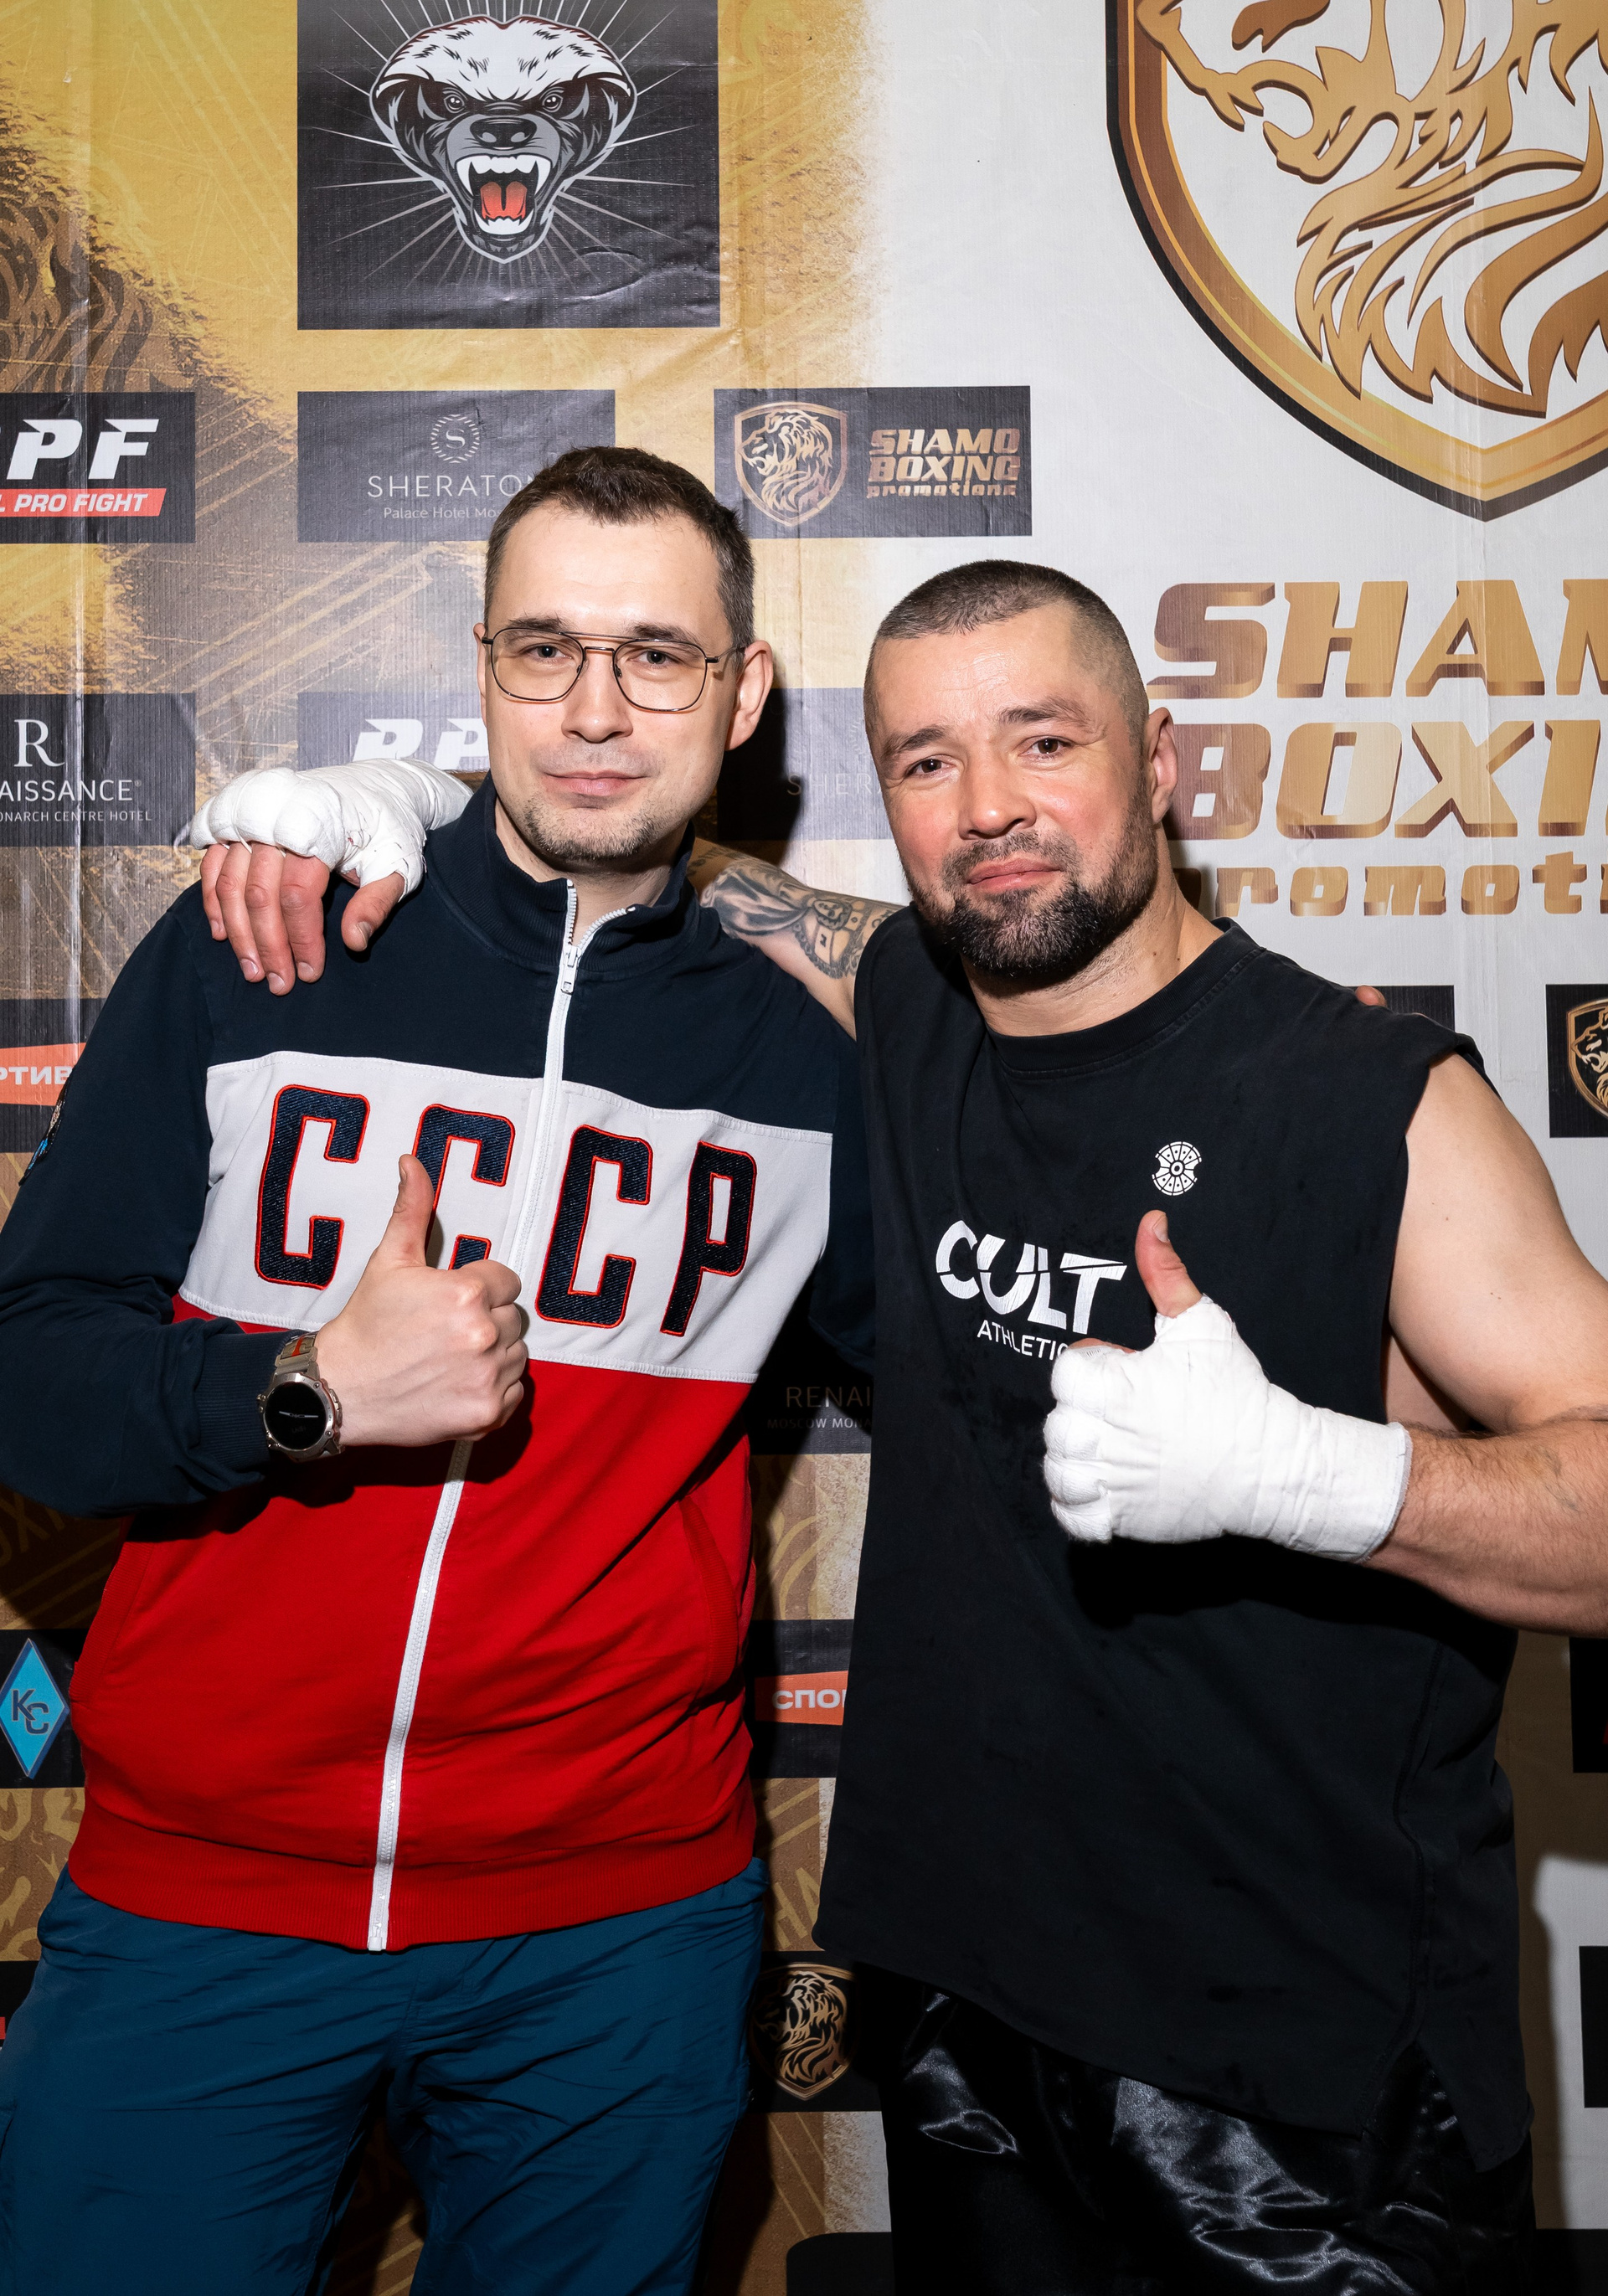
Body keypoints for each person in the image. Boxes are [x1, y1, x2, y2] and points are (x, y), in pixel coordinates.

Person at [193, 559, 1608, 2292]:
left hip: (1308, 2075)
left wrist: (1308, 1475)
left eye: (1044, 740)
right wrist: (429, 803)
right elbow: (681, 864)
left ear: (1162, 760)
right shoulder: (914, 1008)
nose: (989, 805)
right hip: (971, 2017)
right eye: (929, 761)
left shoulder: (1373, 1101)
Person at [0, 446, 873, 2295]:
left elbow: (992, 1365)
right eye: (543, 649)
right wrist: (300, 1390)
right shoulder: (267, 947)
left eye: (655, 656)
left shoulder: (809, 1059)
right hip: (208, 1902)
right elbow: (29, 1377)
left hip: (617, 1930)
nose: (594, 711)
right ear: (478, 667)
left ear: (744, 693)